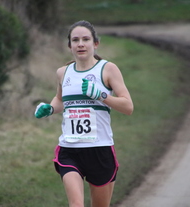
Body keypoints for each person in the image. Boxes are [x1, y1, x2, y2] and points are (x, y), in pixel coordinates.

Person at [34, 20, 133, 207]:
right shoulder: (63, 73)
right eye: (75, 40)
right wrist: (49, 108)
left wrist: (101, 95)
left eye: (86, 39)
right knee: (77, 205)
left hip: (100, 149)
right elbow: (61, 100)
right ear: (69, 45)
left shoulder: (107, 69)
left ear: (95, 44)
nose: (80, 44)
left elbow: (128, 107)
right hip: (70, 150)